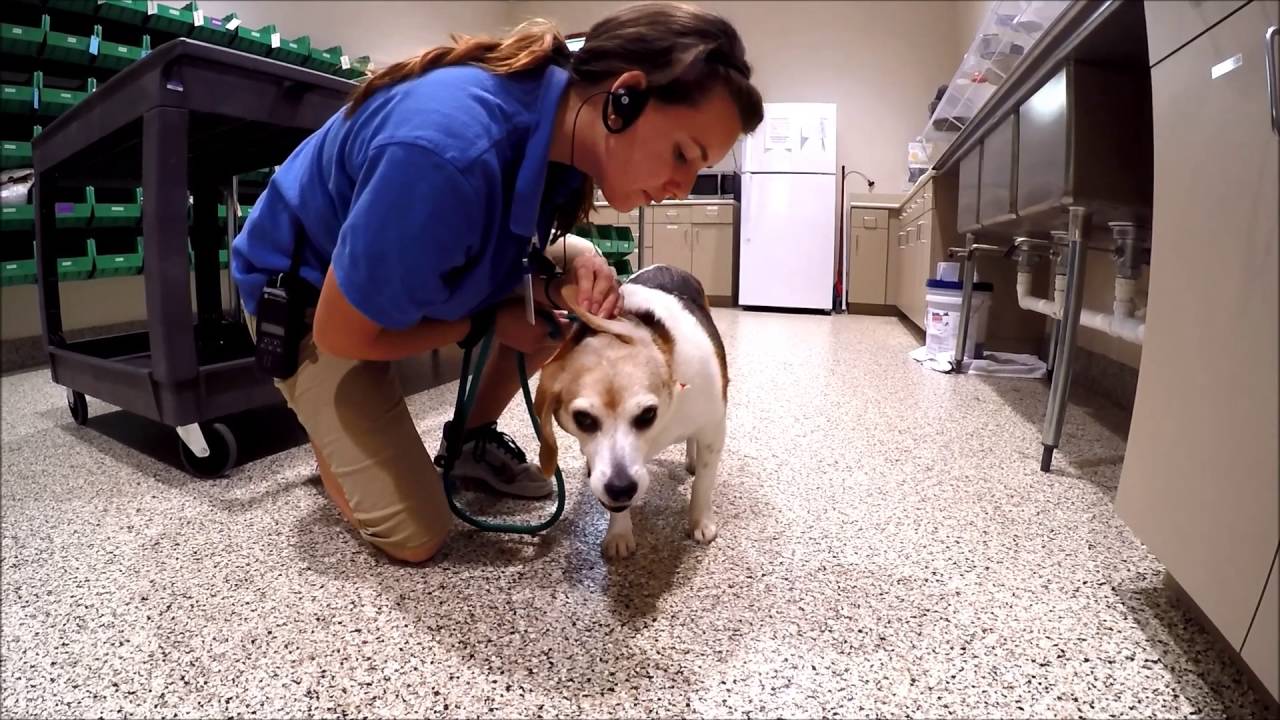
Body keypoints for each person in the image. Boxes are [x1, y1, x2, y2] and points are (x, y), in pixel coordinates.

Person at [230, 1, 764, 563]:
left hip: (397, 267)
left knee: (553, 314)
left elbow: (496, 240)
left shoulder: (560, 125)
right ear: (624, 97)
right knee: (417, 536)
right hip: (307, 301)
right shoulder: (446, 153)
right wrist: (487, 319)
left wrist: (558, 282)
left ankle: (469, 444)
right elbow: (341, 332)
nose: (683, 185)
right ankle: (327, 434)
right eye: (683, 154)